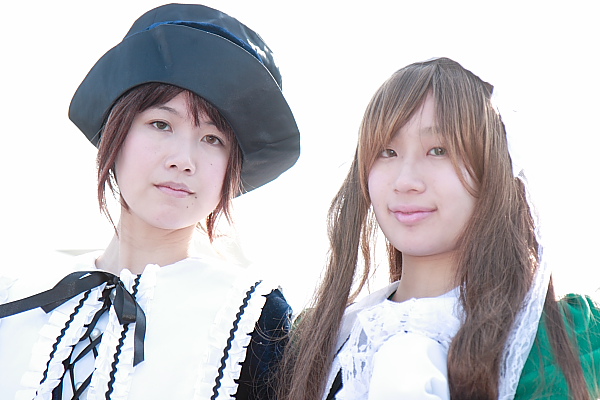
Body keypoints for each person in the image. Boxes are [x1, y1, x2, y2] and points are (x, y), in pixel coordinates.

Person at [0, 3, 299, 400]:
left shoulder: (254, 321)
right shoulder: (16, 301)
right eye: (161, 124)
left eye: (213, 139)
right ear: (116, 132)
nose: (183, 160)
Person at [277, 57, 600, 399]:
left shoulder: (567, 341)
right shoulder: (316, 341)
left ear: (492, 167)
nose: (405, 181)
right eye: (387, 152)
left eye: (438, 150)